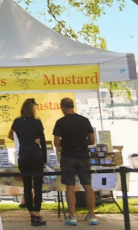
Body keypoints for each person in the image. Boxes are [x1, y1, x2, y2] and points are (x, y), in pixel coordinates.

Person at [53, 97, 97, 226]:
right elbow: (92, 140)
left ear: (63, 108)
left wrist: (64, 144)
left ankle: (72, 217)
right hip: (83, 156)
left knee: (70, 188)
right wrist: (83, 143)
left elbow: (56, 142)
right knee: (88, 186)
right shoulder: (84, 120)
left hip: (68, 157)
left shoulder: (60, 122)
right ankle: (92, 216)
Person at [10, 98, 48, 226]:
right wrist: (45, 159)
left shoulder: (17, 122)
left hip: (24, 156)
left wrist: (22, 138)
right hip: (36, 156)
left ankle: (31, 213)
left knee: (27, 185)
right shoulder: (36, 122)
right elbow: (43, 141)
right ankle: (37, 214)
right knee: (37, 187)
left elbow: (10, 135)